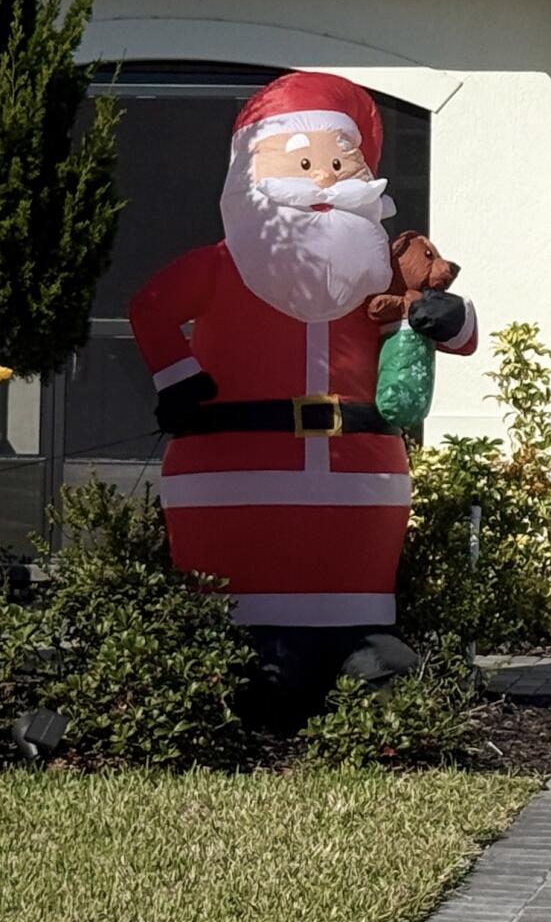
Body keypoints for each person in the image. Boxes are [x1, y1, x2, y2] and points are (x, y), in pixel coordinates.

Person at [127, 71, 473, 711]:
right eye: (303, 162)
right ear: (248, 177)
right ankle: (246, 661)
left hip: (362, 470)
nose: (320, 178)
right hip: (233, 466)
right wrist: (178, 380)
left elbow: (457, 334)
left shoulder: (383, 271)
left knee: (356, 593)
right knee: (243, 610)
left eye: (338, 163)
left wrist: (447, 319)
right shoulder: (221, 265)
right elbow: (149, 307)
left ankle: (362, 645)